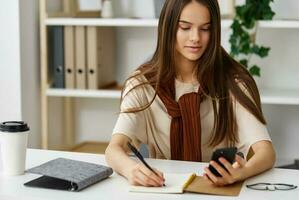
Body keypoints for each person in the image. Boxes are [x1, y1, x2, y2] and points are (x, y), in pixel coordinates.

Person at [105, 0, 276, 187]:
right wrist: (132, 170)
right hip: (164, 188)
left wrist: (240, 173)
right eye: (185, 27)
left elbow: (265, 152)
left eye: (205, 29)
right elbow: (114, 149)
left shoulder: (233, 82)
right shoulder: (142, 84)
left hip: (218, 189)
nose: (195, 37)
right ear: (168, 27)